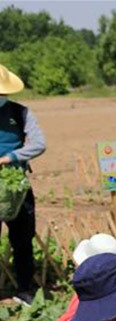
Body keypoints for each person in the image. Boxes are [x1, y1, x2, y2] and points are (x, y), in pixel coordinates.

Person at [0, 64, 46, 306]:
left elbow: (39, 143)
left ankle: (25, 291)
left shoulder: (20, 113)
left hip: (16, 186)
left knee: (22, 238)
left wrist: (11, 157)